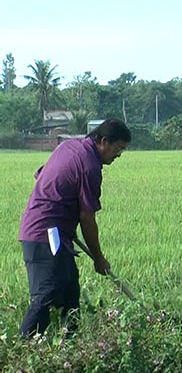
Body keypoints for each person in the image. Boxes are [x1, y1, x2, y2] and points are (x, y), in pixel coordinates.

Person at [18, 118, 131, 338]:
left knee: (69, 290)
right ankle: (22, 347)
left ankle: (70, 347)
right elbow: (87, 218)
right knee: (48, 294)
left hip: (56, 234)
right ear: (103, 141)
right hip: (43, 234)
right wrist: (99, 258)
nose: (118, 155)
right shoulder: (89, 167)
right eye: (118, 149)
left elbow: (40, 174)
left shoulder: (68, 146)